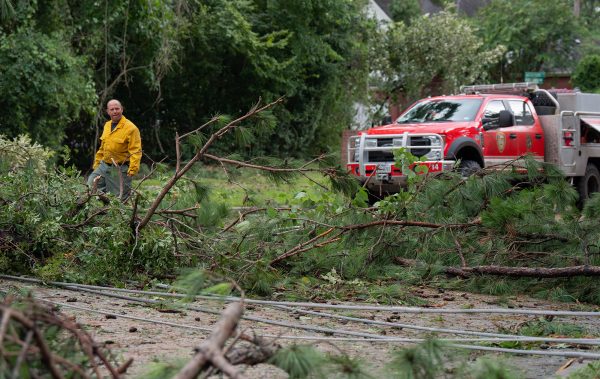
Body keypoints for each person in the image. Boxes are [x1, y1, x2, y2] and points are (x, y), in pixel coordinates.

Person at [87, 99, 142, 201]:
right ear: (108, 111)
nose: (115, 111)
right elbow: (102, 147)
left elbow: (136, 150)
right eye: (112, 109)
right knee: (90, 187)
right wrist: (97, 164)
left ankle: (117, 215)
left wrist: (132, 169)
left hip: (119, 168)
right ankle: (99, 212)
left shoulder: (131, 128)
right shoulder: (107, 125)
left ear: (122, 109)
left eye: (117, 109)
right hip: (103, 165)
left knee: (117, 199)